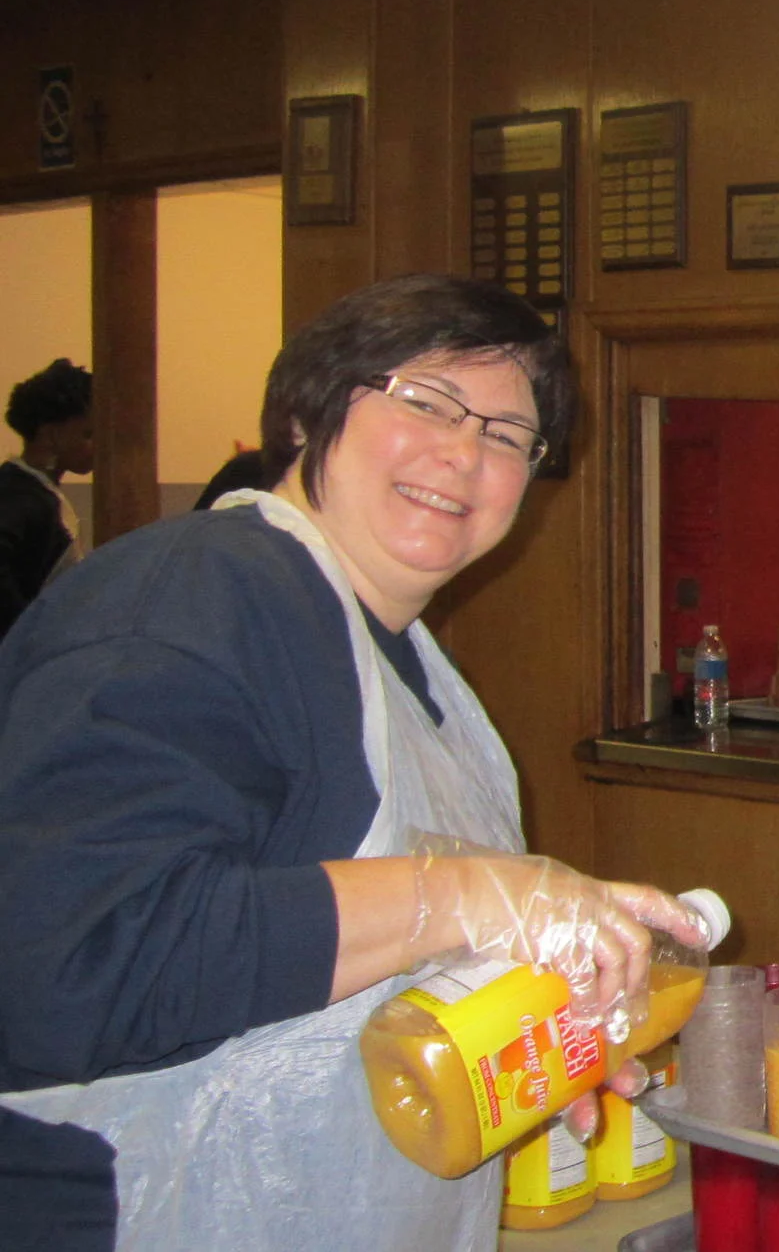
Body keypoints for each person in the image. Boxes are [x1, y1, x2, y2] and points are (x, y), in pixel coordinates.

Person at [0, 275, 707, 1250]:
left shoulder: (422, 678)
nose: (463, 453)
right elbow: (54, 968)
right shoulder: (199, 591)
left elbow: (358, 977)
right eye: (425, 401)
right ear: (311, 409)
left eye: (508, 436)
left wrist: (515, 1034)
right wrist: (456, 896)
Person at [0, 358, 95, 645]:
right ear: (51, 434)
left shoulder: (32, 489)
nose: (98, 445)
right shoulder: (23, 496)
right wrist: (24, 634)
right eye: (88, 434)